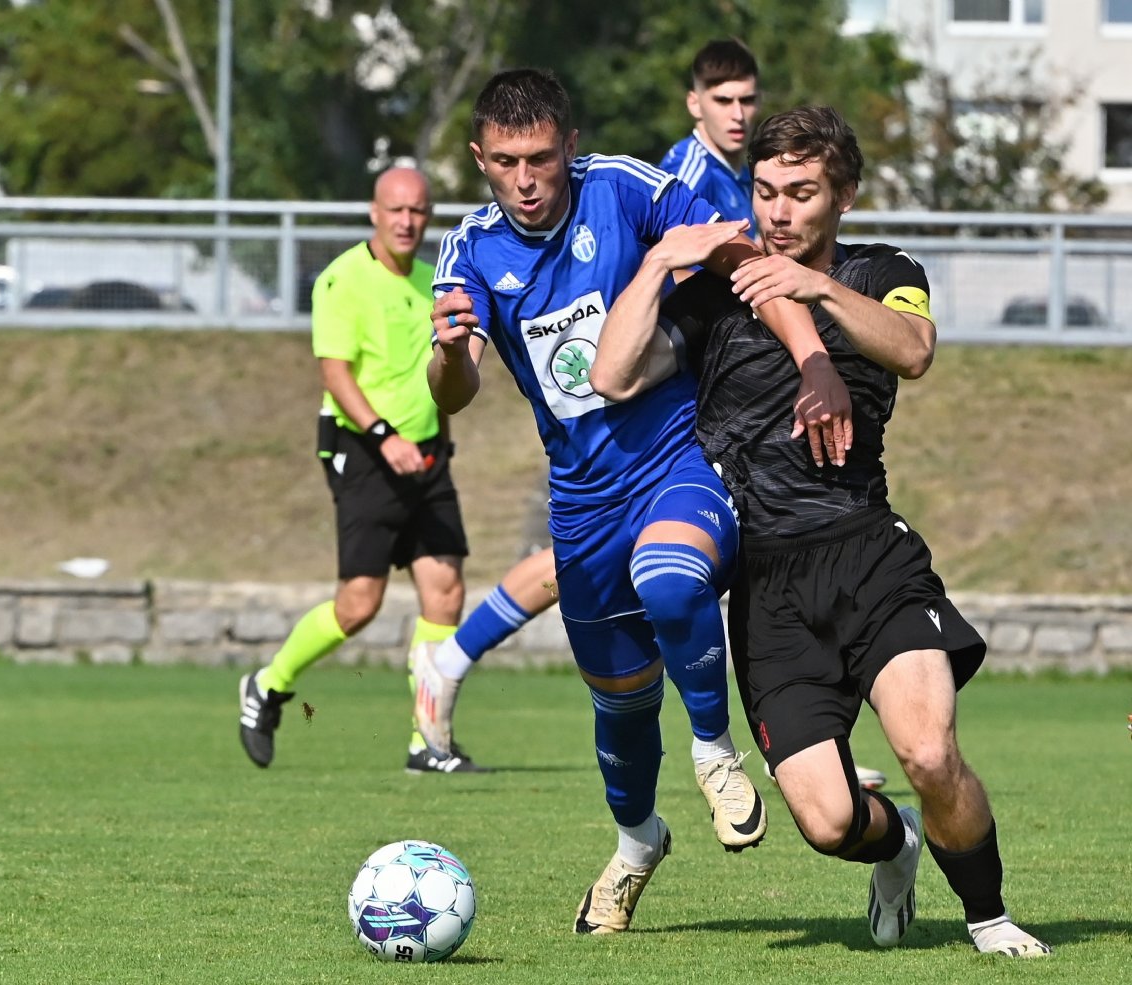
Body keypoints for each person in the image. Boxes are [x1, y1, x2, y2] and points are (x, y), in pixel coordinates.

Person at [591, 105, 1050, 958]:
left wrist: (817, 289)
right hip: (766, 585)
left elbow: (913, 349)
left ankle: (988, 916)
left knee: (927, 748)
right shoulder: (716, 294)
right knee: (832, 821)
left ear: (843, 195)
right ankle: (899, 844)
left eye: (801, 193)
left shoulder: (884, 270)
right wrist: (659, 260)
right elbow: (612, 374)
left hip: (869, 552)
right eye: (766, 192)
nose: (779, 212)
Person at [425, 67, 853, 934]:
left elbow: (745, 260)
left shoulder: (623, 188)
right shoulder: (468, 249)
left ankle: (715, 747)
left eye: (542, 157)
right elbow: (453, 391)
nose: (527, 179)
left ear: (570, 147)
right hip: (580, 503)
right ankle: (636, 843)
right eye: (506, 162)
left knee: (669, 575)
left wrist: (814, 361)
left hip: (676, 460)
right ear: (480, 159)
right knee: (619, 713)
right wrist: (447, 352)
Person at [238, 166, 483, 775]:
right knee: (359, 604)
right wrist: (383, 435)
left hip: (426, 454)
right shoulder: (343, 279)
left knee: (445, 590)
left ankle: (426, 739)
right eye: (396, 209)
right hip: (363, 450)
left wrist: (439, 441)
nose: (407, 221)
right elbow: (335, 374)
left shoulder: (434, 282)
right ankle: (269, 684)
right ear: (374, 212)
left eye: (419, 211)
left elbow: (440, 374)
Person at [659, 38, 760, 227]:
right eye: (723, 101)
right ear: (694, 104)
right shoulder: (688, 175)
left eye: (747, 100)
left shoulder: (747, 175)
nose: (738, 115)